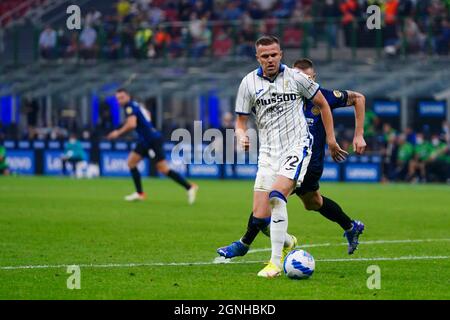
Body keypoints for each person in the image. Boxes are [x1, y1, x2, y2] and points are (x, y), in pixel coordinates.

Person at [217, 58, 366, 261]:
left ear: (313, 79)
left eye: (306, 78)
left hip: (309, 163)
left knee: (271, 198)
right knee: (313, 202)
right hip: (283, 159)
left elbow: (359, 98)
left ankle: (244, 244)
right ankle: (351, 226)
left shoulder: (325, 97)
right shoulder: (282, 97)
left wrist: (358, 135)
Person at [230, 36, 348, 278]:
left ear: (281, 54)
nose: (270, 59)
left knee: (277, 196)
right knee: (260, 217)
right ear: (257, 58)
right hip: (268, 154)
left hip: (297, 148)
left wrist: (331, 139)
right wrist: (240, 136)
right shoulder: (248, 83)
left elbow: (323, 104)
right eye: (265, 56)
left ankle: (274, 263)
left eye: (274, 54)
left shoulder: (297, 78)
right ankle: (287, 241)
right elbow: (240, 121)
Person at [107, 88, 198, 204]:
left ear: (128, 96)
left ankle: (190, 187)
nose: (119, 101)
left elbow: (132, 124)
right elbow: (145, 116)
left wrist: (117, 133)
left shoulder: (129, 107)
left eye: (122, 97)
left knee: (163, 169)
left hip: (151, 140)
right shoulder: (135, 105)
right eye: (118, 99)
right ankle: (140, 193)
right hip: (145, 140)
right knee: (131, 163)